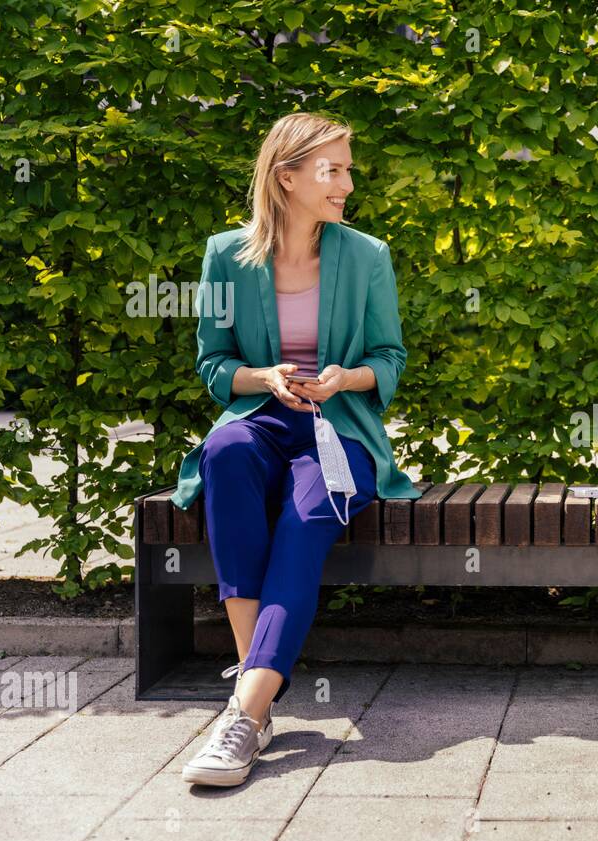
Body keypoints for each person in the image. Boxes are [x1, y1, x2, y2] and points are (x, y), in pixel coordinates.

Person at [169, 113, 420, 786]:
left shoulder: (367, 255)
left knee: (311, 513)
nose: (346, 182)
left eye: (348, 169)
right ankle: (257, 699)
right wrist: (266, 377)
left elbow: (389, 358)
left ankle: (244, 714)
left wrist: (347, 377)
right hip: (260, 417)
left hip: (336, 427)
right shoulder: (227, 254)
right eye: (331, 170)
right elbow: (215, 364)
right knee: (224, 456)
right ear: (287, 178)